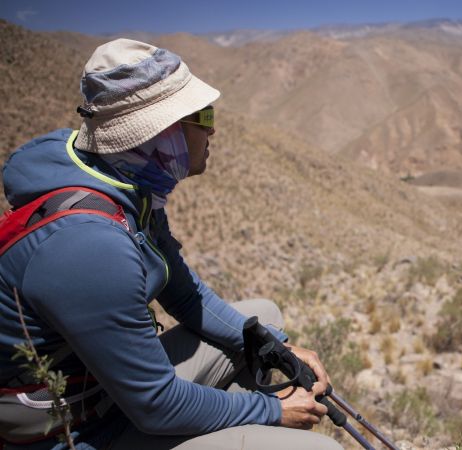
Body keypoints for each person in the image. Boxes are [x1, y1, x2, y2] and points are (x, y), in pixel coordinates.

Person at [0, 39, 342, 449]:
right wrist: (272, 411)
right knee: (320, 449)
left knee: (261, 318)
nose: (212, 127)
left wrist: (279, 349)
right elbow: (156, 405)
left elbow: (184, 293)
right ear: (161, 134)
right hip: (81, 433)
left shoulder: (123, 182)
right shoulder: (89, 247)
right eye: (201, 115)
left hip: (108, 396)